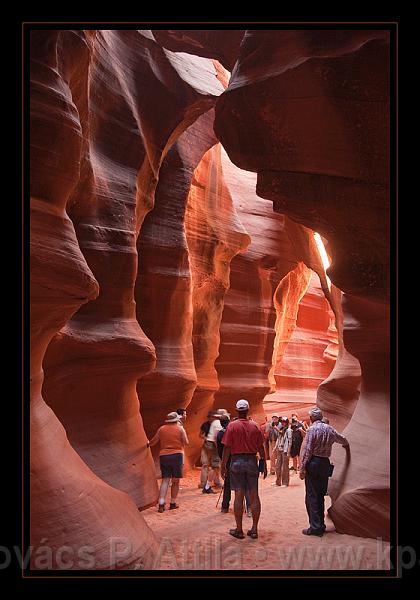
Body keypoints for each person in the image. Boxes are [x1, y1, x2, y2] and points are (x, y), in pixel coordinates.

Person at [221, 399, 267, 540]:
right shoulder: (255, 426)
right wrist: (264, 463)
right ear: (248, 410)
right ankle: (254, 529)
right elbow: (261, 447)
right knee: (254, 495)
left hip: (236, 462)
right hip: (252, 461)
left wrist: (223, 465)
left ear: (237, 411)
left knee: (239, 495)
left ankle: (239, 529)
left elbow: (227, 447)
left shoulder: (232, 426)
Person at [299, 406, 349, 536]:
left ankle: (315, 527)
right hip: (325, 463)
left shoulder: (312, 430)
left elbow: (308, 450)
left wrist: (302, 467)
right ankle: (320, 524)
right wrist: (346, 445)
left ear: (311, 418)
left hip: (313, 463)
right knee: (321, 495)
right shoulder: (329, 429)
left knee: (312, 495)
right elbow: (342, 439)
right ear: (321, 417)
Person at [148, 412, 189, 513]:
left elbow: (153, 441)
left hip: (164, 456)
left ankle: (161, 503)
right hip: (177, 455)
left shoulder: (161, 429)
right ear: (176, 420)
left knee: (165, 480)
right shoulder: (180, 429)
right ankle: (172, 503)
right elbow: (186, 442)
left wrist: (147, 444)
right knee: (175, 481)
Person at [217, 414, 252, 516]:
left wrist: (223, 462)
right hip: (241, 459)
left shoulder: (220, 433)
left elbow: (220, 450)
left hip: (228, 461)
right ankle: (249, 508)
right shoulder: (238, 431)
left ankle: (225, 507)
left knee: (227, 484)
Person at [202, 411, 223, 493]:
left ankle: (214, 483)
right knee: (215, 466)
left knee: (215, 466)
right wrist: (219, 448)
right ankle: (207, 486)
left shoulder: (215, 422)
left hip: (209, 444)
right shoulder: (217, 423)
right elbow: (216, 437)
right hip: (213, 445)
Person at [273, 417, 292, 487]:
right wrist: (275, 448)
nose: (283, 423)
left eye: (284, 422)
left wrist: (288, 451)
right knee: (278, 466)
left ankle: (285, 482)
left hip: (285, 450)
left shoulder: (288, 430)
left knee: (285, 467)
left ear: (286, 422)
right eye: (282, 422)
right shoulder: (281, 429)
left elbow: (290, 441)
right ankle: (278, 481)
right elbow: (278, 439)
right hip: (279, 449)